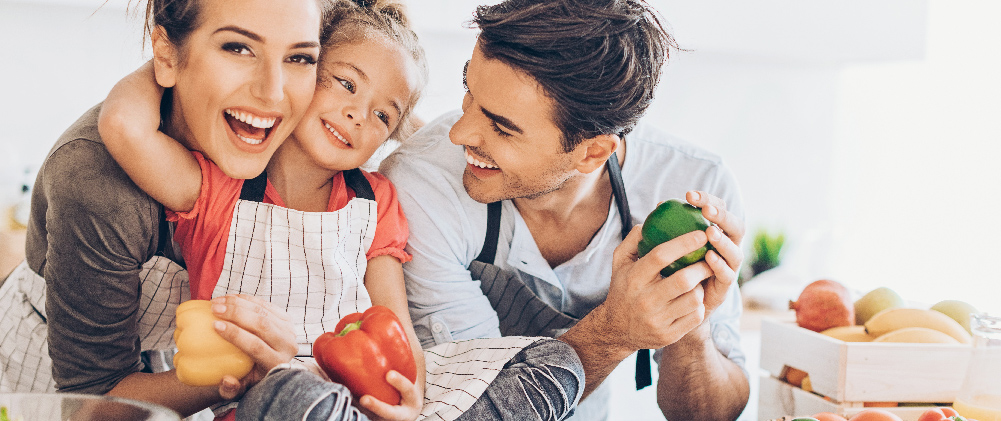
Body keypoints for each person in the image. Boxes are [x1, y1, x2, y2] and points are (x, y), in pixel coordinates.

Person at [99, 1, 584, 420]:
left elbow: (394, 321)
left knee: (559, 364)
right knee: (295, 394)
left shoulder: (376, 201)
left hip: (358, 404)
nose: (358, 115)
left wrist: (409, 394)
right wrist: (171, 58)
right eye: (347, 84)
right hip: (266, 402)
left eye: (382, 115)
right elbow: (124, 127)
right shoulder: (219, 187)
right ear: (304, 73)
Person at [378, 0, 751, 420]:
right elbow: (472, 404)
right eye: (469, 90)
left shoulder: (694, 184)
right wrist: (613, 331)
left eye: (502, 127)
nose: (460, 132)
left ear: (593, 152)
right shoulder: (421, 186)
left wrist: (690, 320)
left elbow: (712, 414)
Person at [0, 0, 323, 416]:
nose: (272, 92)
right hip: (42, 377)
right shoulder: (96, 181)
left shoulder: (276, 141)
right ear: (166, 53)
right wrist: (251, 374)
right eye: (238, 48)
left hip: (169, 362)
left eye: (299, 57)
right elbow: (96, 399)